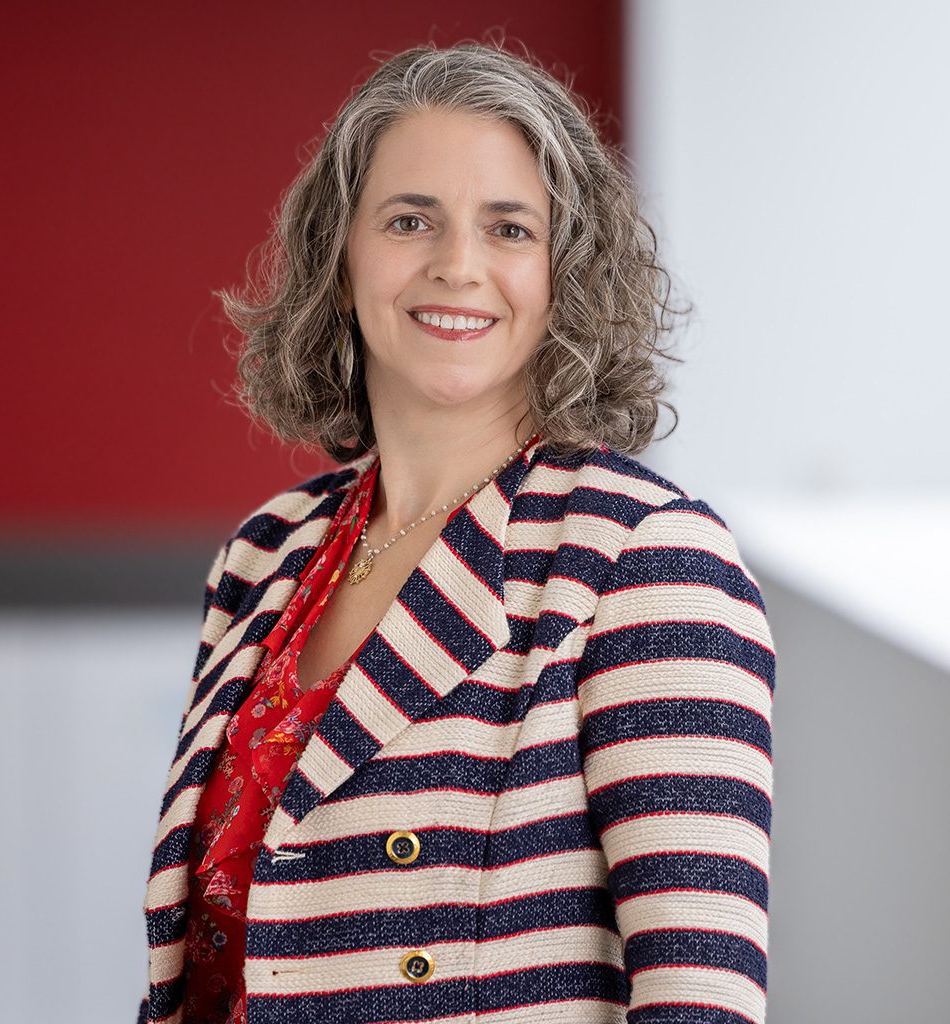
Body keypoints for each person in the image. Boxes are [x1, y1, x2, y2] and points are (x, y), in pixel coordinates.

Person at [138, 40, 775, 1024]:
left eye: (509, 228)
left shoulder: (644, 555)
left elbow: (699, 998)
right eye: (409, 220)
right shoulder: (265, 553)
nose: (457, 265)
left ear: (565, 273)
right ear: (339, 257)